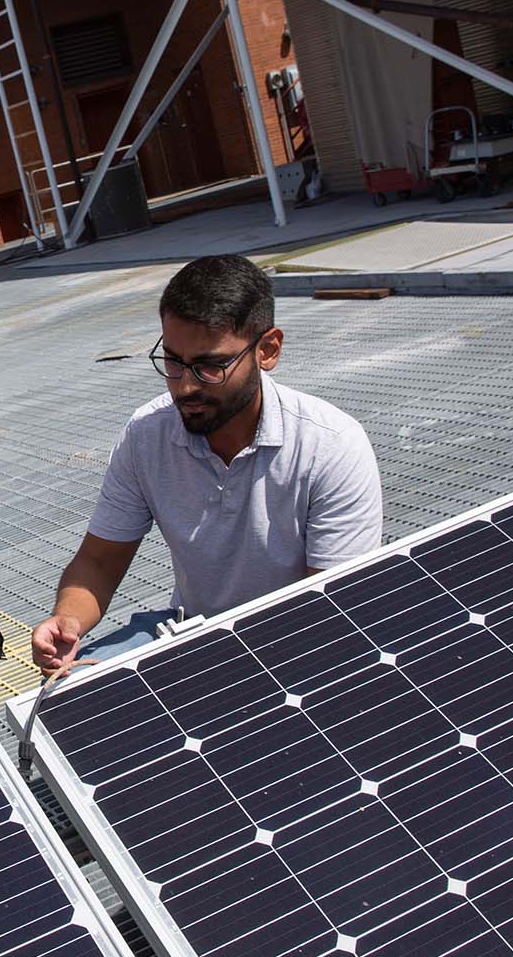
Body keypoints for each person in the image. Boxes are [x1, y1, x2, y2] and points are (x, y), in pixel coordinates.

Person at [31, 254, 383, 673]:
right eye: (174, 361)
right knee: (71, 699)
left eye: (211, 366)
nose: (186, 386)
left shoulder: (331, 445)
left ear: (268, 350)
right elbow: (100, 561)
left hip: (296, 643)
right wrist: (68, 619)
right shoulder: (147, 435)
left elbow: (330, 612)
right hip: (193, 631)